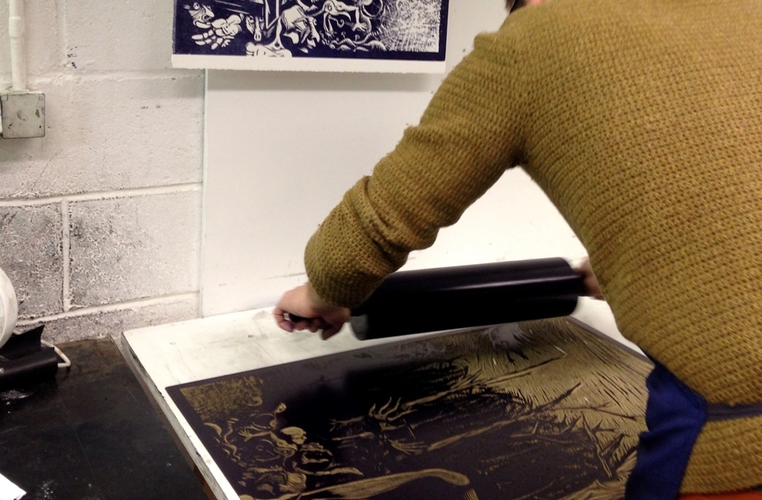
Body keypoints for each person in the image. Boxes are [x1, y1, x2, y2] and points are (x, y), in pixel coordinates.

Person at [273, 0, 762, 496]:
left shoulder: (530, 43)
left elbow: (380, 222)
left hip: (740, 435)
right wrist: (629, 266)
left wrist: (321, 293)